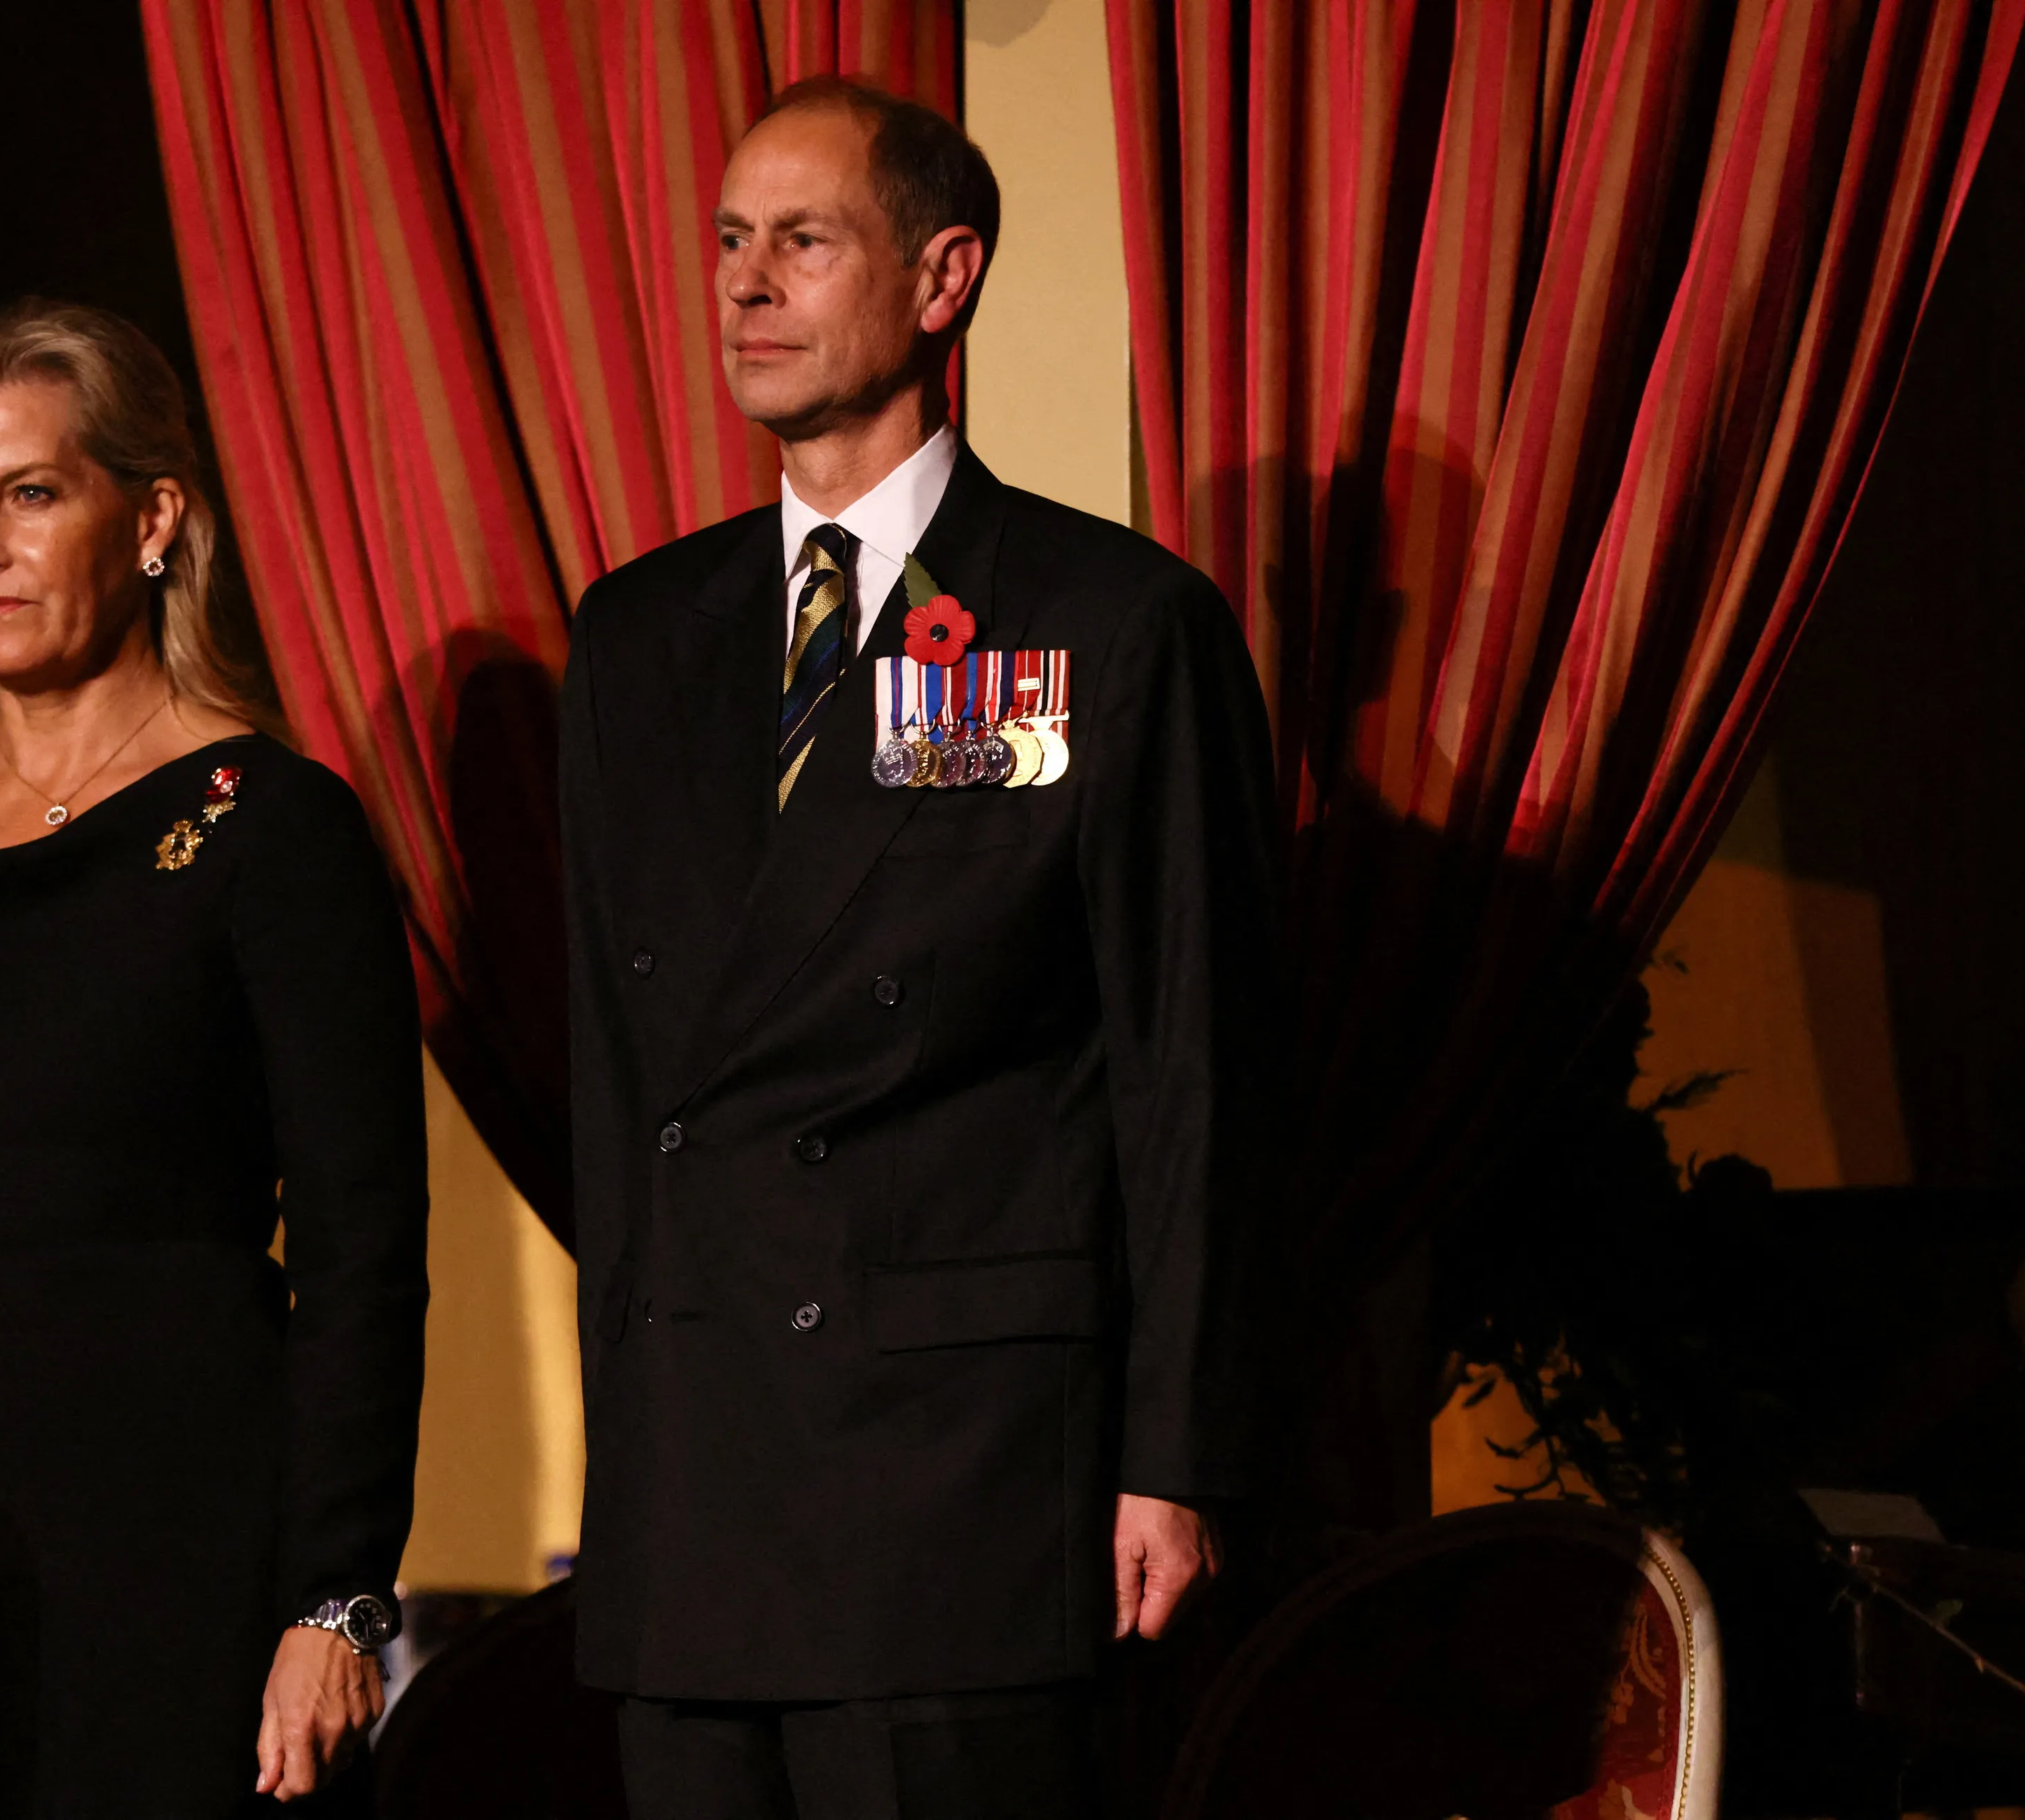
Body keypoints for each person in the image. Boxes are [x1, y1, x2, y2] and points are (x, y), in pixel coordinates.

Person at [558, 78, 1279, 1819]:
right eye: (729, 242)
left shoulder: (1104, 625)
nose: (744, 286)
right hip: (697, 1491)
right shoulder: (641, 632)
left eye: (802, 242)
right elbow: (611, 1070)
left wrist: (1173, 1458)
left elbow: (1199, 1074)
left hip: (956, 1483)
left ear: (944, 277)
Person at [0, 301, 429, 1815]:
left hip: (178, 1567)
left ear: (156, 517)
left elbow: (366, 1251)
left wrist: (335, 1603)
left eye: (32, 492)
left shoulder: (270, 826)